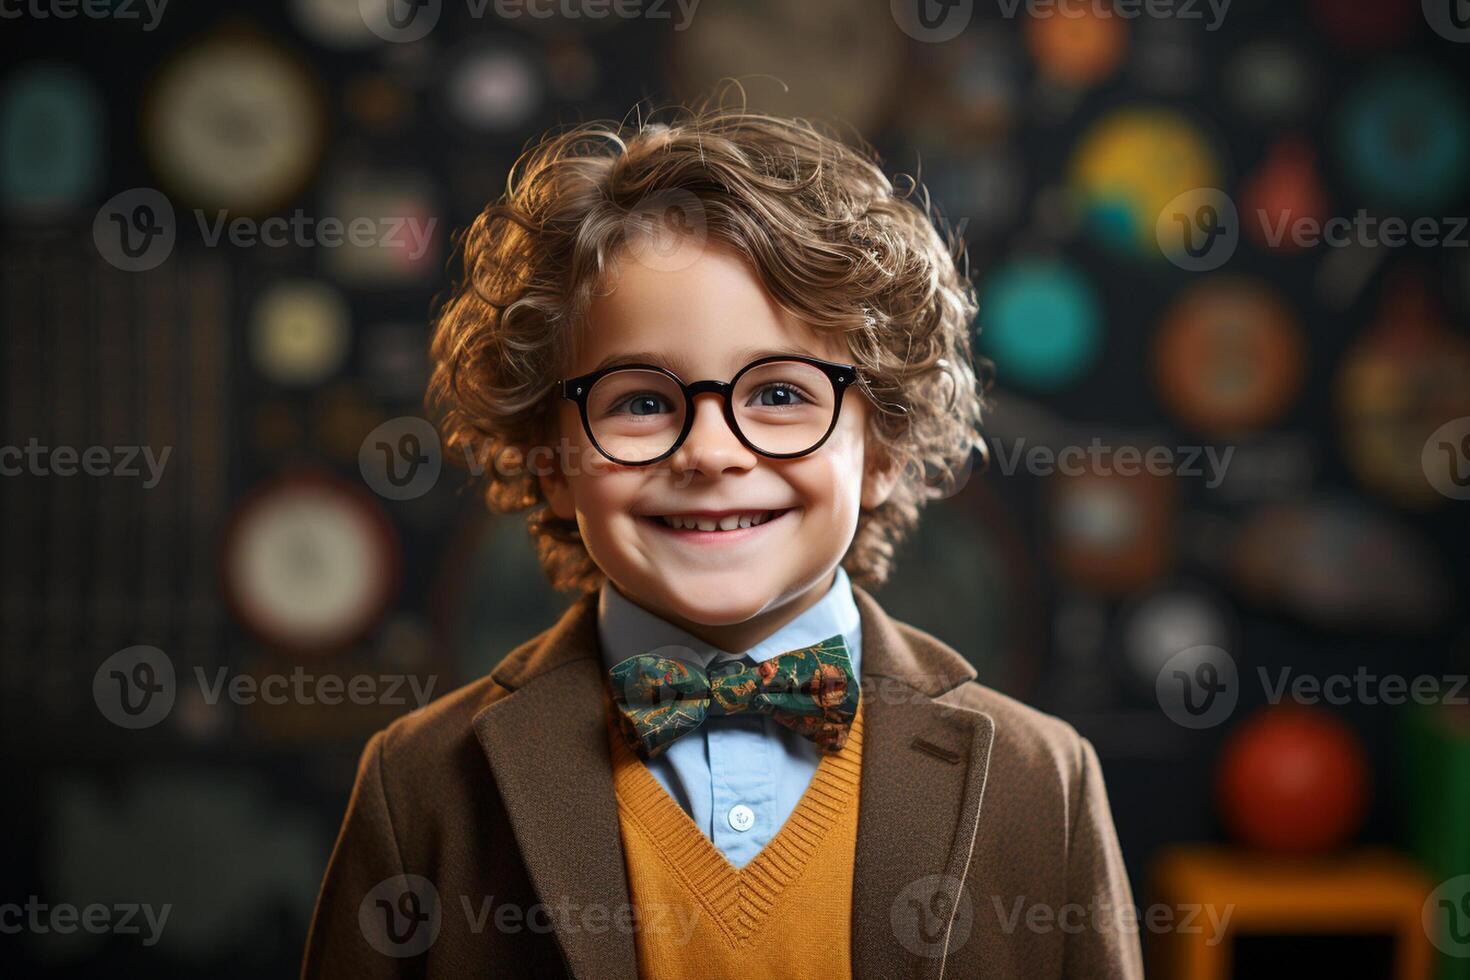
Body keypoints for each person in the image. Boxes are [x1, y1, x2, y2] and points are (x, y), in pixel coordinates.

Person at [302, 99, 1144, 979]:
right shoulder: (421, 785)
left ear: (885, 448)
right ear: (549, 458)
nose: (710, 451)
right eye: (638, 400)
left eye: (780, 394)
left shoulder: (1041, 780)